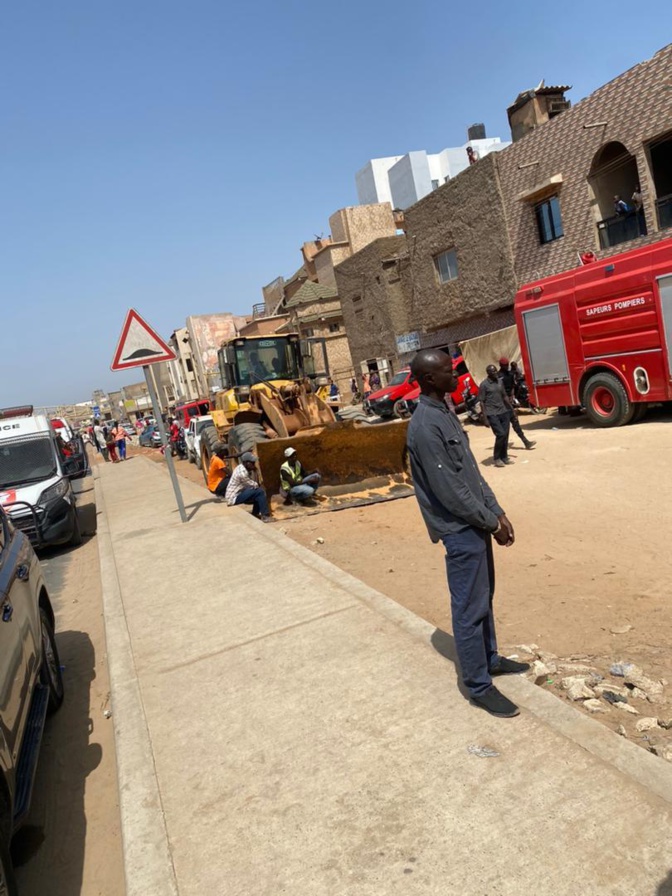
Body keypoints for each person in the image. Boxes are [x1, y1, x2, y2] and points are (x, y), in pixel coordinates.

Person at [406, 349, 528, 718]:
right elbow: (450, 491)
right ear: (429, 379)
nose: (456, 375)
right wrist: (489, 521)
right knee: (468, 606)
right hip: (460, 530)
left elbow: (471, 474)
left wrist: (497, 510)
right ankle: (477, 684)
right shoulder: (425, 426)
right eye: (447, 371)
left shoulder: (445, 411)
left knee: (483, 597)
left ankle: (489, 658)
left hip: (476, 522)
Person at [478, 365, 514, 467]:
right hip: (492, 413)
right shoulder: (484, 385)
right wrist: (485, 418)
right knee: (501, 434)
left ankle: (504, 457)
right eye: (492, 372)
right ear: (488, 373)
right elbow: (481, 402)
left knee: (505, 435)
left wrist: (511, 409)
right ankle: (497, 457)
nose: (495, 373)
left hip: (503, 411)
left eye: (495, 371)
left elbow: (504, 396)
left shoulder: (500, 382)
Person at [497, 358, 536, 451]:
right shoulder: (498, 376)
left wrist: (511, 396)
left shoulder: (510, 374)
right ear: (501, 366)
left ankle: (526, 442)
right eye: (504, 365)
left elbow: (515, 382)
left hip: (509, 401)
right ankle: (503, 448)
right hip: (502, 403)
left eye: (507, 365)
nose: (506, 367)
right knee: (505, 427)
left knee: (515, 423)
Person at [225, 452, 272, 521]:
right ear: (246, 463)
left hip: (239, 493)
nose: (254, 464)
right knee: (260, 492)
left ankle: (255, 514)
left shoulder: (242, 467)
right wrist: (256, 471)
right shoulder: (242, 473)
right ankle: (265, 516)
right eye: (252, 463)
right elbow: (255, 484)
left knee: (257, 493)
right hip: (233, 498)